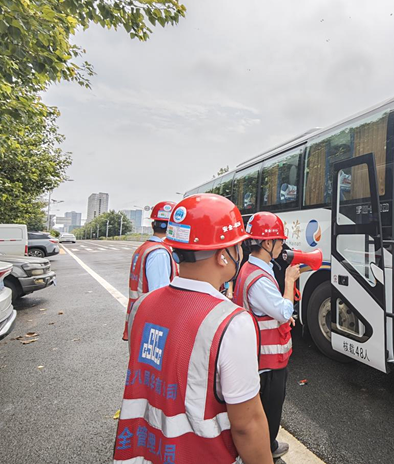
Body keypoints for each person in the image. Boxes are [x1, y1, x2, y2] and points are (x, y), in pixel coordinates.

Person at [114, 194, 272, 464]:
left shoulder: (142, 306)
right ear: (224, 256)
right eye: (237, 246)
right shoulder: (231, 322)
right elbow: (247, 425)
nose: (240, 253)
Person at [233, 212, 301, 460]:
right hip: (268, 360)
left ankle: (266, 445)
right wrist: (290, 281)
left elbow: (268, 310)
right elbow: (283, 310)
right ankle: (266, 451)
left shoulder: (253, 268)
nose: (283, 246)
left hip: (261, 355)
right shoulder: (259, 277)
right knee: (270, 408)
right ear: (267, 243)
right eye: (280, 241)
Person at [123, 201, 178, 341]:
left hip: (140, 314)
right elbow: (160, 294)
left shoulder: (145, 248)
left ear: (152, 225)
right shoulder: (159, 252)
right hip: (152, 321)